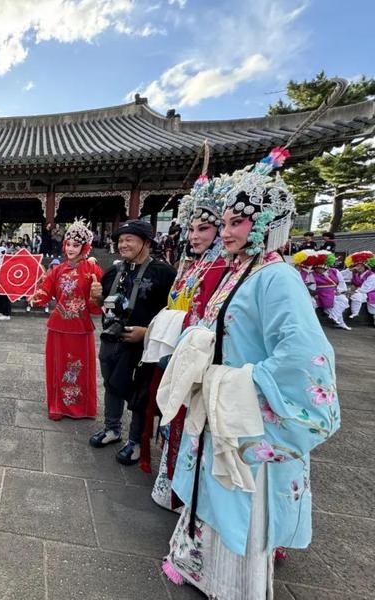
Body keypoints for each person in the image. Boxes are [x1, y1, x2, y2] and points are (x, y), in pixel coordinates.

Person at [158, 147, 340, 599]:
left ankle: (236, 585)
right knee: (215, 492)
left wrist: (230, 383)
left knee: (240, 497)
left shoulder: (277, 278)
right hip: (221, 408)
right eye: (226, 222)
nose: (227, 231)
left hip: (243, 411)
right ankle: (203, 570)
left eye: (237, 221)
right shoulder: (241, 272)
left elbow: (303, 357)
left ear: (268, 222)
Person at [147, 176, 229, 510]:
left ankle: (191, 497)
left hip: (204, 358)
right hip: (179, 349)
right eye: (192, 228)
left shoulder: (223, 267)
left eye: (204, 229)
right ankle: (174, 488)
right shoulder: (193, 264)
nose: (194, 236)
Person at [88, 220, 175, 466]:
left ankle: (136, 440)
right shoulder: (114, 271)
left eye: (130, 240)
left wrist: (146, 332)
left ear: (146, 243)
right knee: (111, 385)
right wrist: (97, 298)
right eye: (121, 240)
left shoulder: (164, 273)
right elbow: (105, 304)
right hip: (112, 340)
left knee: (140, 393)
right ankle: (112, 428)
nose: (123, 244)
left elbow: (174, 313)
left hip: (145, 345)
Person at [30, 220, 103, 421]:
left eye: (75, 245)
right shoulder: (57, 270)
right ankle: (58, 406)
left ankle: (83, 408)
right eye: (68, 244)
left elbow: (96, 305)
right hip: (58, 327)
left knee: (80, 367)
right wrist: (37, 296)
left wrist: (97, 297)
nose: (70, 249)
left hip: (81, 327)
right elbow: (45, 292)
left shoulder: (92, 270)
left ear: (84, 247)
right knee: (58, 366)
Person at [312, 250, 350, 330]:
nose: (319, 270)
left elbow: (341, 282)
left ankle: (335, 318)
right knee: (315, 304)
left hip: (333, 292)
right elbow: (310, 286)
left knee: (343, 300)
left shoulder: (334, 271)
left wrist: (340, 291)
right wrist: (313, 293)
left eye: (321, 268)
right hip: (319, 294)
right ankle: (339, 322)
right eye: (317, 268)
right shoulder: (311, 274)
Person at [345, 250, 375, 322]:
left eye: (359, 265)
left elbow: (365, 289)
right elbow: (341, 276)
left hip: (370, 292)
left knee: (359, 297)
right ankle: (354, 313)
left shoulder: (372, 275)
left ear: (364, 266)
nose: (357, 267)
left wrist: (353, 290)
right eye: (356, 265)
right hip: (359, 292)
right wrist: (349, 270)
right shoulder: (354, 273)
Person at [0, 244, 12, 321]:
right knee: (1, 297)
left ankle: (7, 314)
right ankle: (1, 311)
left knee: (6, 298)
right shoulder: (2, 259)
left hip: (7, 282)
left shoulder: (8, 260)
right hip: (1, 281)